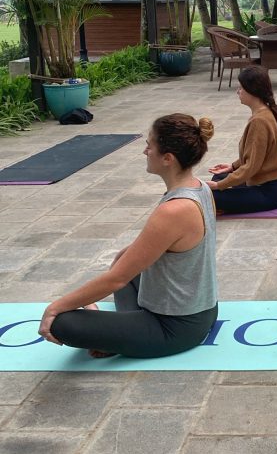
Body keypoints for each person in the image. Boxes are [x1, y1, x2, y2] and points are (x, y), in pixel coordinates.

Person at [38, 114, 218, 359]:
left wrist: (54, 308)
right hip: (202, 308)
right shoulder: (200, 187)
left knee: (61, 323)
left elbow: (116, 280)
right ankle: (120, 335)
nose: (145, 151)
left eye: (150, 145)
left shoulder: (174, 210)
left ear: (168, 158)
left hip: (175, 327)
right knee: (124, 261)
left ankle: (119, 338)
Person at [206, 65, 277, 215]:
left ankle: (222, 205)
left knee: (210, 195)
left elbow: (252, 166)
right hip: (276, 185)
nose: (238, 91)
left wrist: (220, 186)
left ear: (253, 91)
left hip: (270, 192)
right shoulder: (265, 111)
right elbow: (258, 155)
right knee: (218, 177)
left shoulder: (259, 121)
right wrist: (232, 167)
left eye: (241, 88)